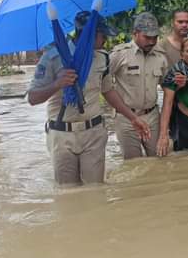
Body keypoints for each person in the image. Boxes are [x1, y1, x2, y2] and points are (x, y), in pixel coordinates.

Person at [27, 11, 117, 185]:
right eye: (102, 34)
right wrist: (57, 84)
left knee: (95, 189)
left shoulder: (102, 58)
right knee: (67, 193)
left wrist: (133, 118)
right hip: (62, 135)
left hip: (93, 133)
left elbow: (109, 91)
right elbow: (32, 98)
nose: (106, 39)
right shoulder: (53, 57)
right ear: (89, 34)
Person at [103, 12, 168, 160]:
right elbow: (102, 84)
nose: (152, 41)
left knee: (159, 160)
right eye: (147, 37)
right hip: (126, 118)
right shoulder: (119, 55)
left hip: (152, 117)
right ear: (135, 34)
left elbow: (167, 86)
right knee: (133, 164)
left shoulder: (160, 57)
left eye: (155, 37)